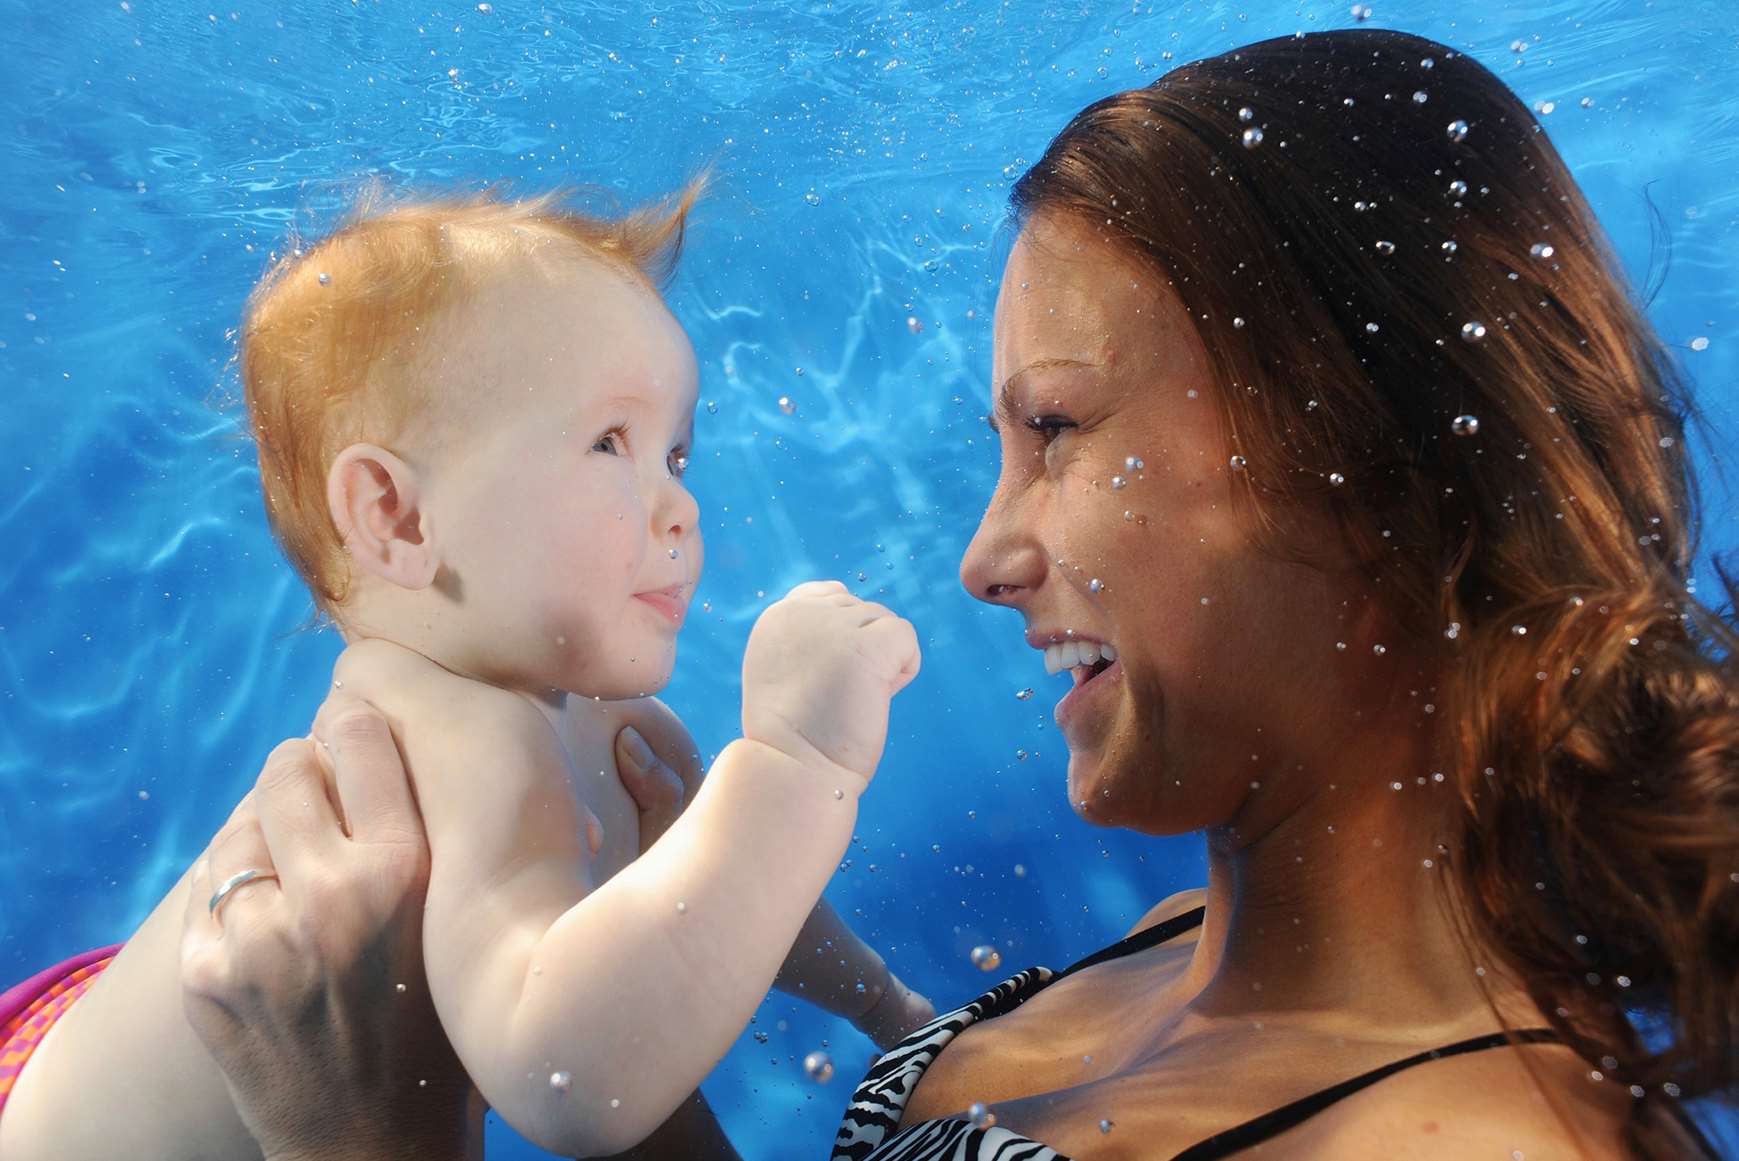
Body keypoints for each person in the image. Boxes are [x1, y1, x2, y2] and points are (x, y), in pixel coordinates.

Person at [180, 25, 1737, 1161]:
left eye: (1053, 429)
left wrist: (366, 1136)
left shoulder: (1467, 1139)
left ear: (1369, 455)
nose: (980, 557)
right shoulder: (1188, 945)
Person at [0, 189, 936, 1161]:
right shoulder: (455, 738)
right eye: (610, 443)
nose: (680, 508)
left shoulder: (614, 727)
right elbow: (570, 1083)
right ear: (397, 518)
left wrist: (886, 1006)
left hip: (86, 1027)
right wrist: (792, 764)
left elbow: (739, 901)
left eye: (676, 452)